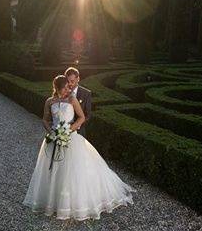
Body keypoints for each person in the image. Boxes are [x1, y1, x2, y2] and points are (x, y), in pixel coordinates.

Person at [22, 75, 135, 221]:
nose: (65, 91)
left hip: (71, 138)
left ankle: (71, 203)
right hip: (54, 138)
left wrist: (69, 131)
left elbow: (81, 117)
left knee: (72, 171)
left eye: (66, 88)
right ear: (56, 88)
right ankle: (53, 201)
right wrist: (52, 132)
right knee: (53, 170)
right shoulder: (50, 101)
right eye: (62, 89)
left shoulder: (72, 99)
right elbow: (45, 119)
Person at [64, 67, 92, 137]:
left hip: (79, 132)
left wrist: (76, 126)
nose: (70, 84)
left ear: (78, 79)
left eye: (72, 81)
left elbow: (88, 115)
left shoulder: (86, 93)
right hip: (63, 130)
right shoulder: (63, 93)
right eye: (68, 81)